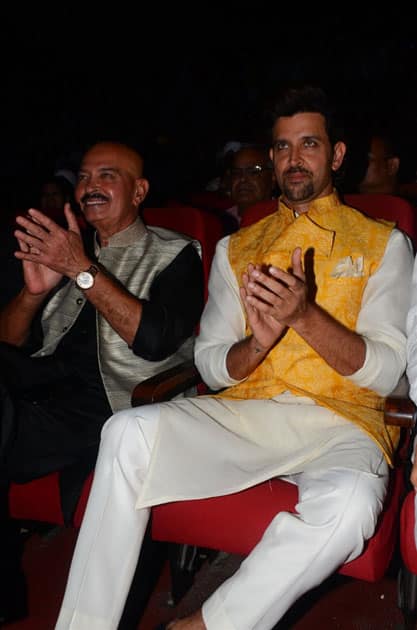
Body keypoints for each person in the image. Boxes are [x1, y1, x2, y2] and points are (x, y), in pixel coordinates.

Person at [55, 86, 413, 630]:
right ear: (272, 159)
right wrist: (258, 344)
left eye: (309, 144)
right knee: (127, 433)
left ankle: (203, 625)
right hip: (254, 414)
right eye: (283, 147)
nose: (294, 159)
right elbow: (211, 363)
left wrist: (305, 317)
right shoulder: (237, 248)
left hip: (345, 421)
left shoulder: (383, 244)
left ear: (336, 156)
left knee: (351, 504)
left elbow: (389, 369)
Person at [0, 140, 204, 624]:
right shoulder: (69, 248)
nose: (90, 186)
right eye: (86, 177)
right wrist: (32, 297)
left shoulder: (176, 253)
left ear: (140, 191)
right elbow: (9, 345)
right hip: (45, 386)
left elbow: (154, 341)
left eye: (108, 176)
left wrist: (83, 271)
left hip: (117, 403)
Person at [223, 144, 277, 232]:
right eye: (236, 172)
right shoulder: (219, 223)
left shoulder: (285, 218)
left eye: (253, 172)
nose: (242, 179)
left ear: (273, 177)